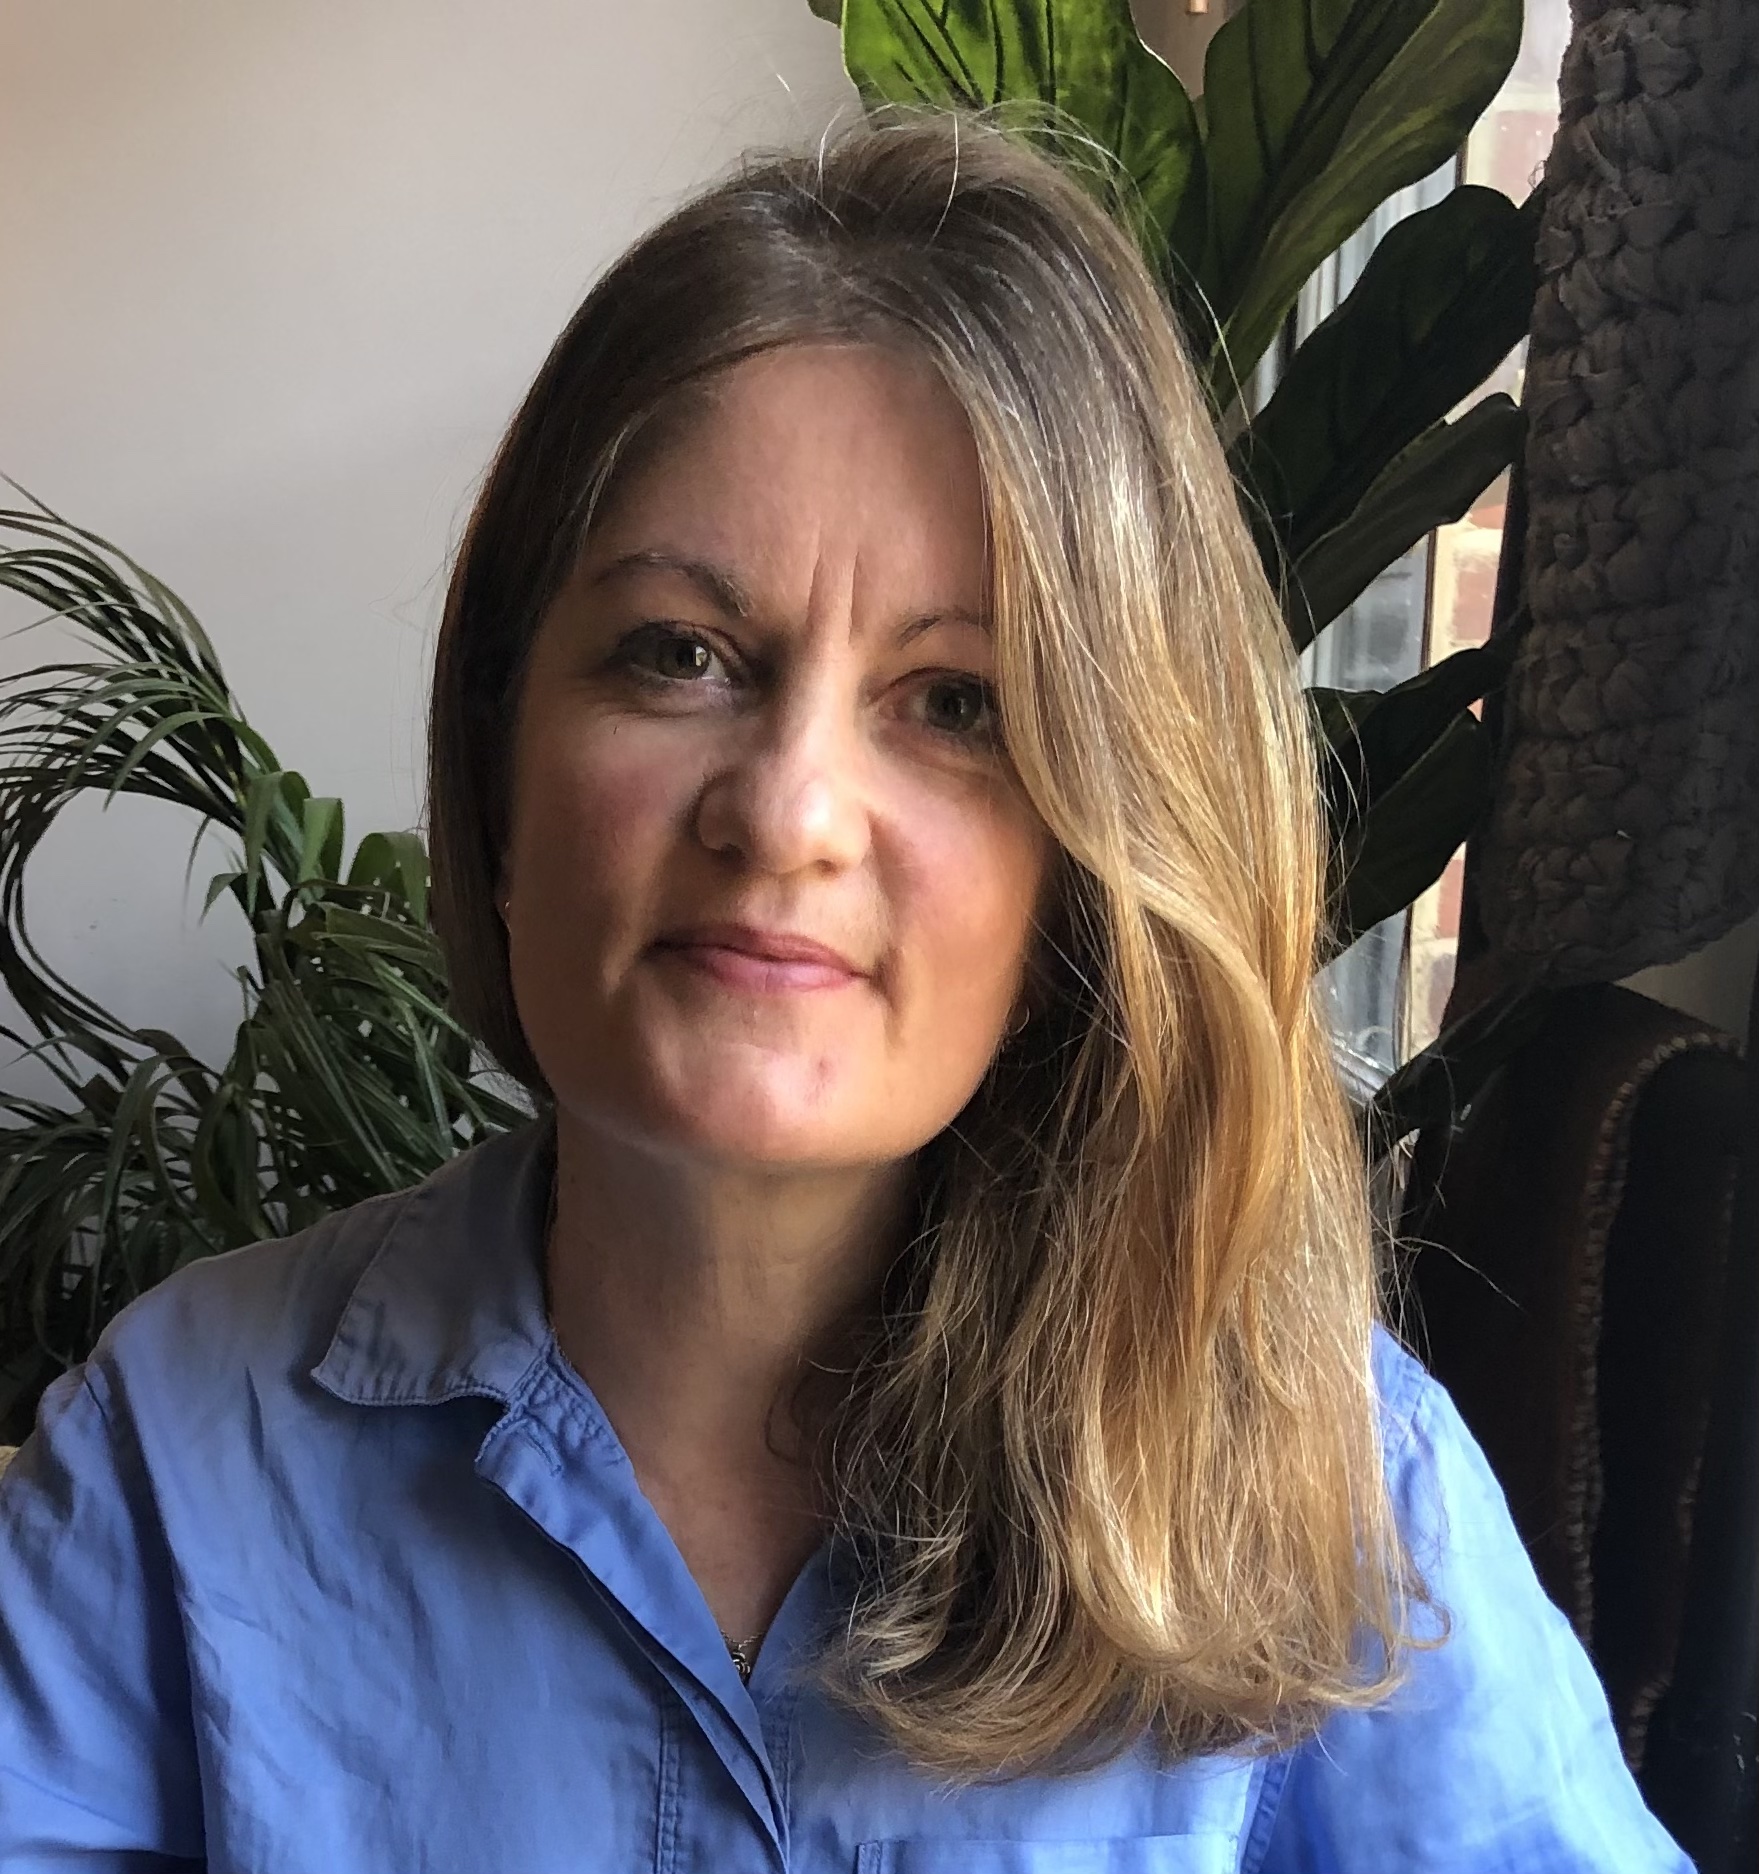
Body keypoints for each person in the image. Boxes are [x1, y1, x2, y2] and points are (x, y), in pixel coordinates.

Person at [0, 113, 1690, 1873]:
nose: (788, 811)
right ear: (500, 778)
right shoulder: (177, 1456)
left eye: (957, 702)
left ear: (1084, 869)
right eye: (680, 654)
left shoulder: (1330, 1495)